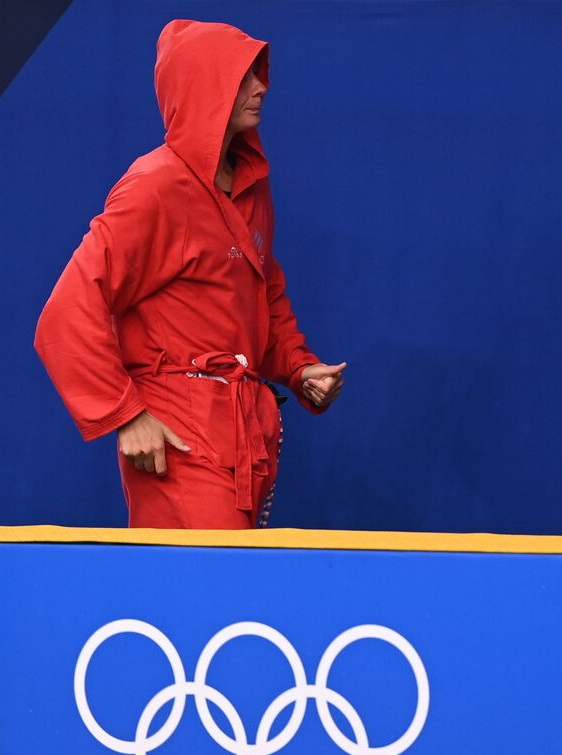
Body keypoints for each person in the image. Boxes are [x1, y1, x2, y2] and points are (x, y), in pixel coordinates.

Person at [35, 20, 345, 529]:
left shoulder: (249, 184)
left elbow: (258, 297)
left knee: (228, 600)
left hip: (243, 435)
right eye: (243, 77)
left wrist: (298, 367)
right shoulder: (156, 186)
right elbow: (66, 312)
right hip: (179, 439)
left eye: (258, 75)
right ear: (206, 86)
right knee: (204, 599)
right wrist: (125, 413)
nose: (262, 88)